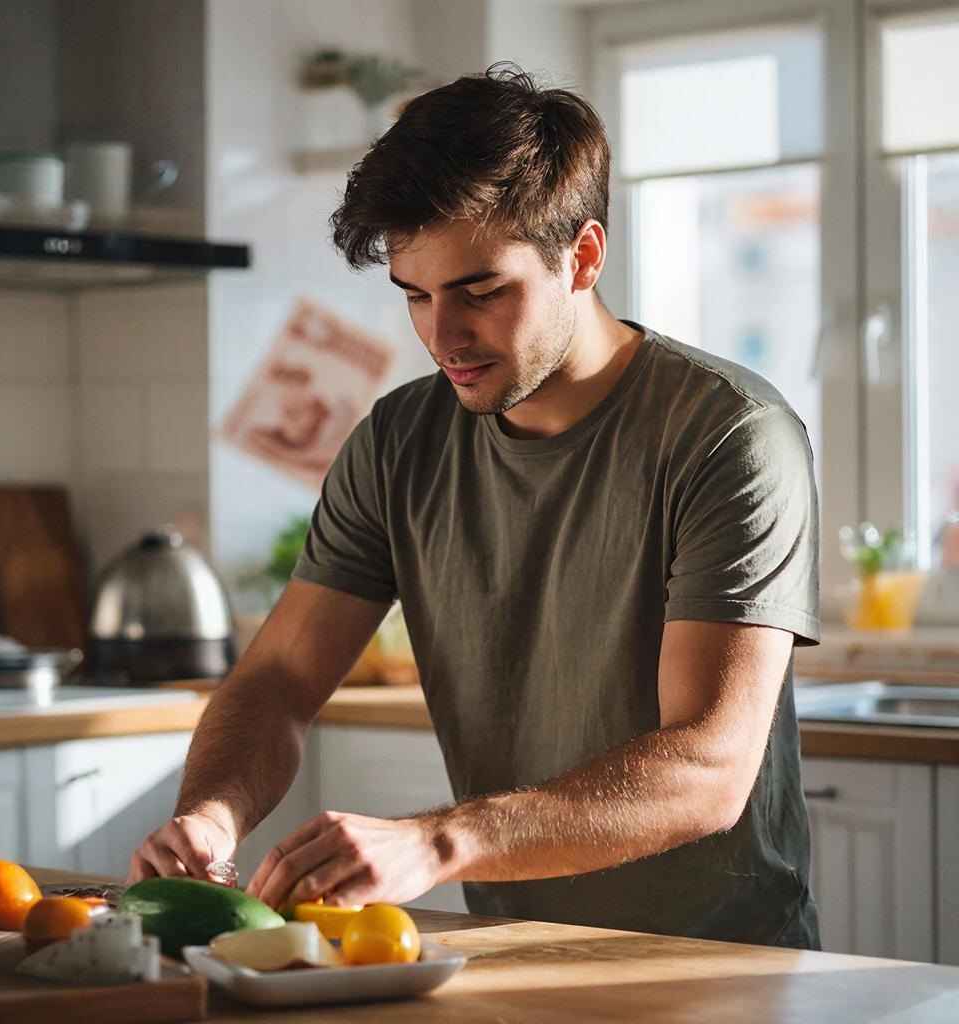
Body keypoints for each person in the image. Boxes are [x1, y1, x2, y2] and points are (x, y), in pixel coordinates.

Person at [129, 65, 822, 949]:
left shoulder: (730, 435)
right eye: (415, 294)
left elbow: (710, 765)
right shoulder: (396, 442)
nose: (441, 335)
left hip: (718, 965)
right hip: (504, 956)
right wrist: (214, 816)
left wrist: (441, 840)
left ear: (583, 255)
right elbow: (280, 679)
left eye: (481, 292)